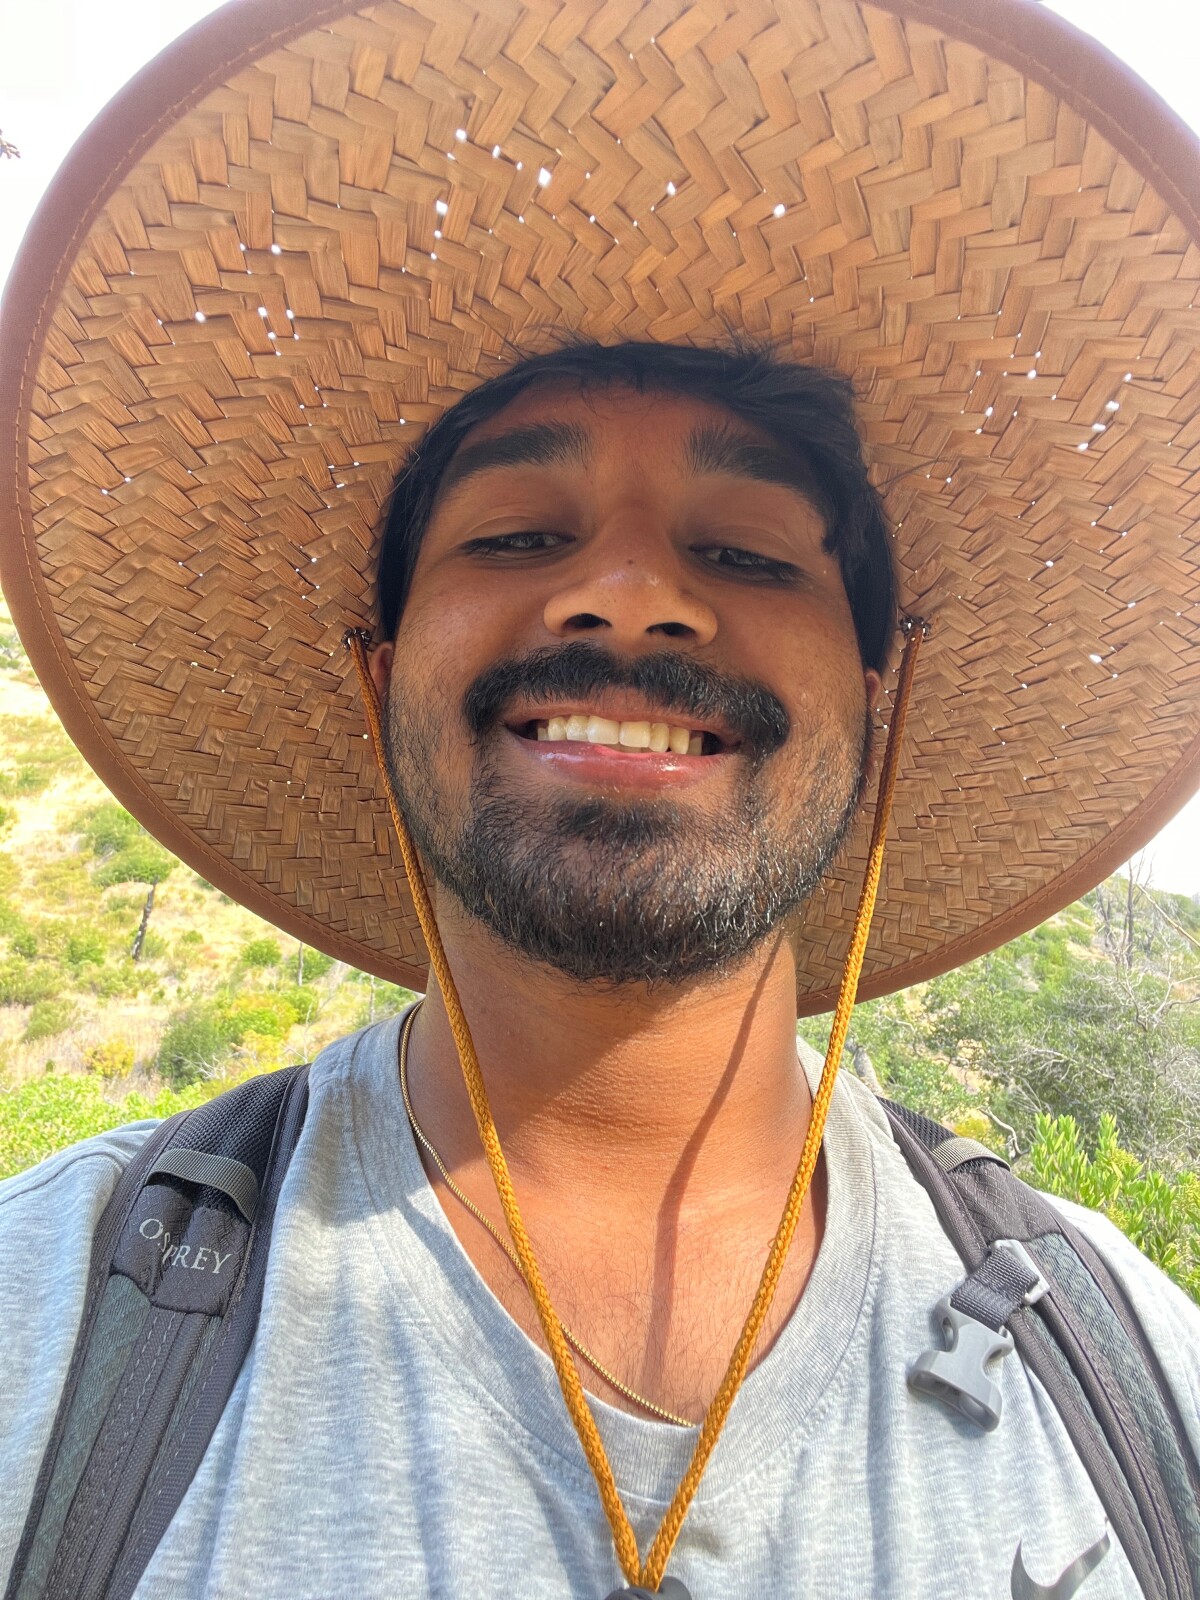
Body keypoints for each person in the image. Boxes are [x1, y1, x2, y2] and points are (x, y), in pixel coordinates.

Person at [1, 1, 1199, 1596]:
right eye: (515, 535)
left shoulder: (1135, 1378)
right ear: (379, 681)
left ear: (876, 694)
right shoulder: (47, 1335)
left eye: (747, 552)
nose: (631, 593)